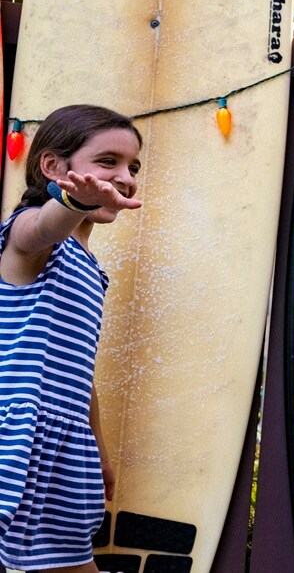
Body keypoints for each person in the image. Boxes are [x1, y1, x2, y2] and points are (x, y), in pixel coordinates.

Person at [0, 105, 141, 572]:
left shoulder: (88, 267)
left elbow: (81, 371)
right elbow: (41, 229)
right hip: (15, 437)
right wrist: (74, 203)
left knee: (69, 563)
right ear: (54, 168)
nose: (125, 176)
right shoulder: (29, 235)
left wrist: (97, 447)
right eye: (108, 161)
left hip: (62, 445)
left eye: (133, 167)